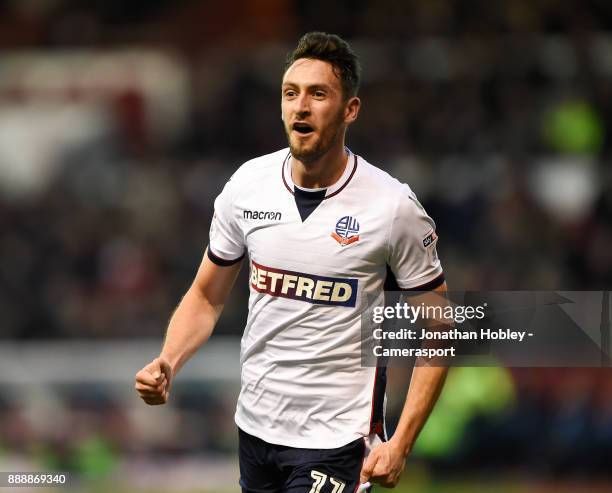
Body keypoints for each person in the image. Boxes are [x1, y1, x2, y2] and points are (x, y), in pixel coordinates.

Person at [135, 32, 448, 492]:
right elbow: (206, 295)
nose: (300, 107)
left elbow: (441, 328)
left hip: (338, 440)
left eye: (318, 94)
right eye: (290, 93)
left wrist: (401, 441)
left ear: (350, 110)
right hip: (256, 430)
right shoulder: (248, 186)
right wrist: (168, 361)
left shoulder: (392, 206)